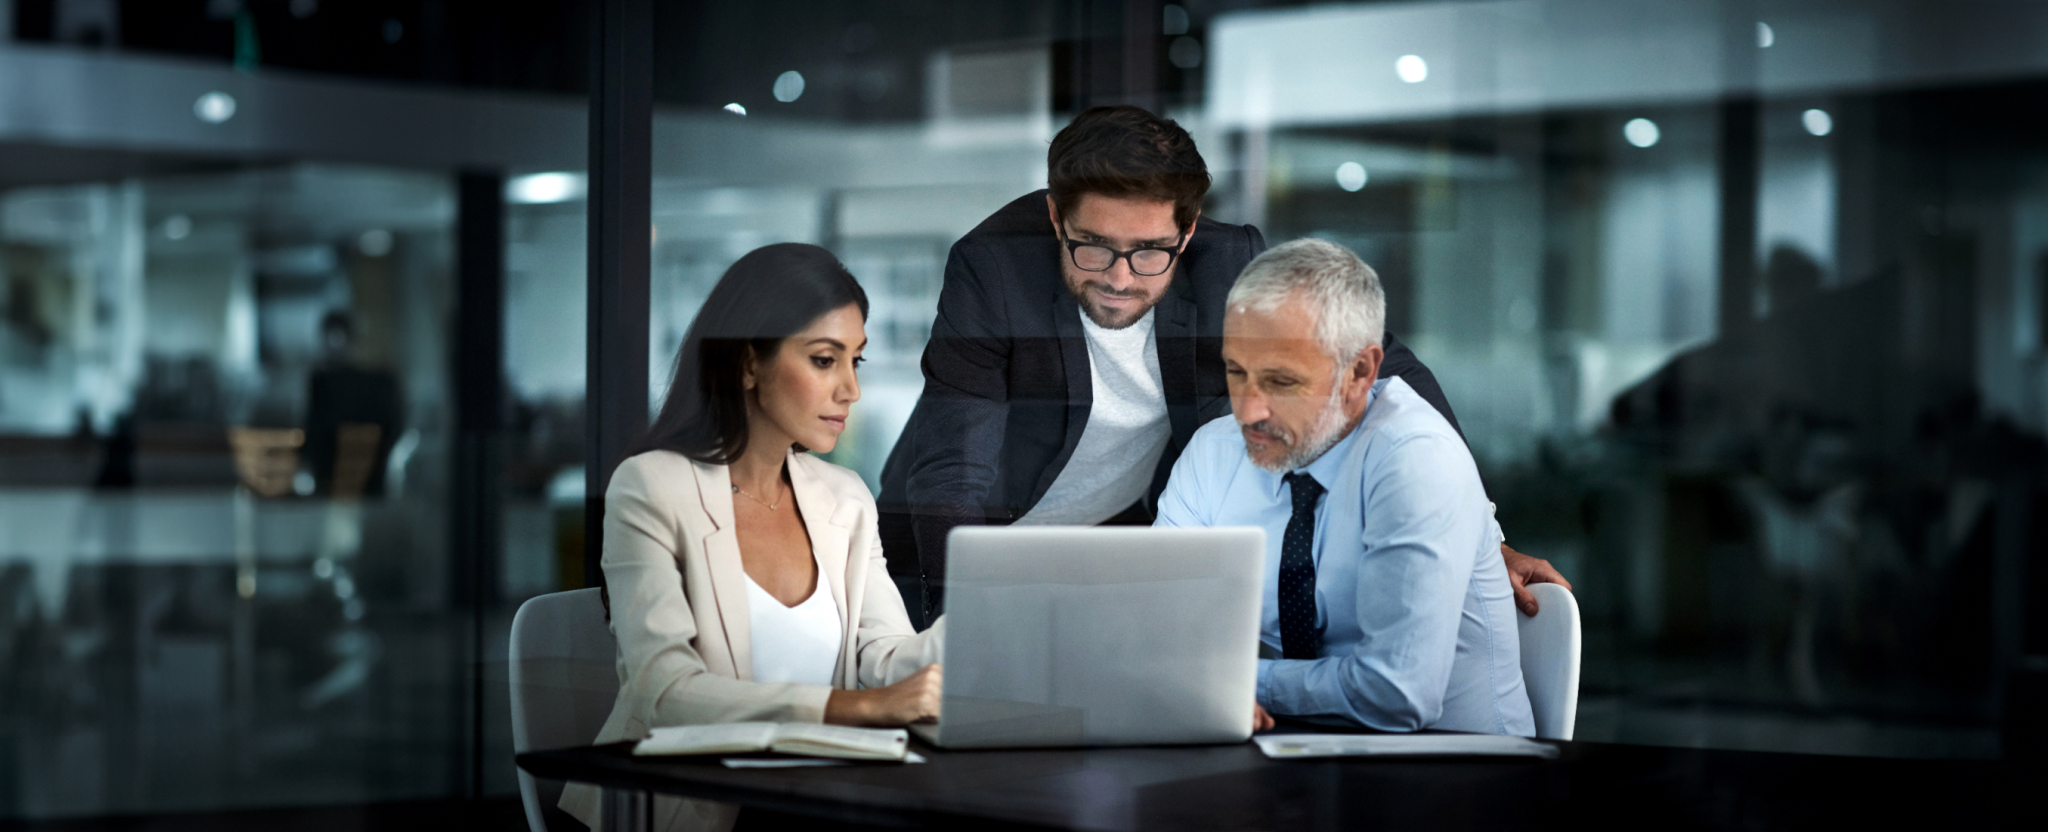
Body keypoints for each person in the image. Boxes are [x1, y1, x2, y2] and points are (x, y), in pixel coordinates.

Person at [877, 104, 1567, 619]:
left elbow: (1387, 371)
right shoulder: (992, 266)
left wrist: (1488, 540)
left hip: (1109, 552)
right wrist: (960, 625)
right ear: (1057, 215)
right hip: (958, 554)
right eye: (1092, 246)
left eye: (1150, 251)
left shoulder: (1228, 265)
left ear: (1189, 228)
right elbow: (952, 473)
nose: (1119, 277)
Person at [560, 244, 943, 832]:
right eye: (823, 360)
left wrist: (980, 625)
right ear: (746, 364)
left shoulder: (845, 497)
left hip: (806, 800)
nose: (850, 390)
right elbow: (665, 692)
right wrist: (855, 709)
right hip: (674, 808)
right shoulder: (651, 486)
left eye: (855, 362)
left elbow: (884, 656)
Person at [1156, 239, 1535, 736]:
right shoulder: (1214, 452)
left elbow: (1397, 695)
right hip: (1294, 764)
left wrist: (1233, 681)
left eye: (1281, 382)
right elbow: (1155, 636)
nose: (1248, 411)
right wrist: (1180, 677)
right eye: (1236, 371)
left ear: (1360, 372)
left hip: (1457, 777)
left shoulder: (1415, 457)